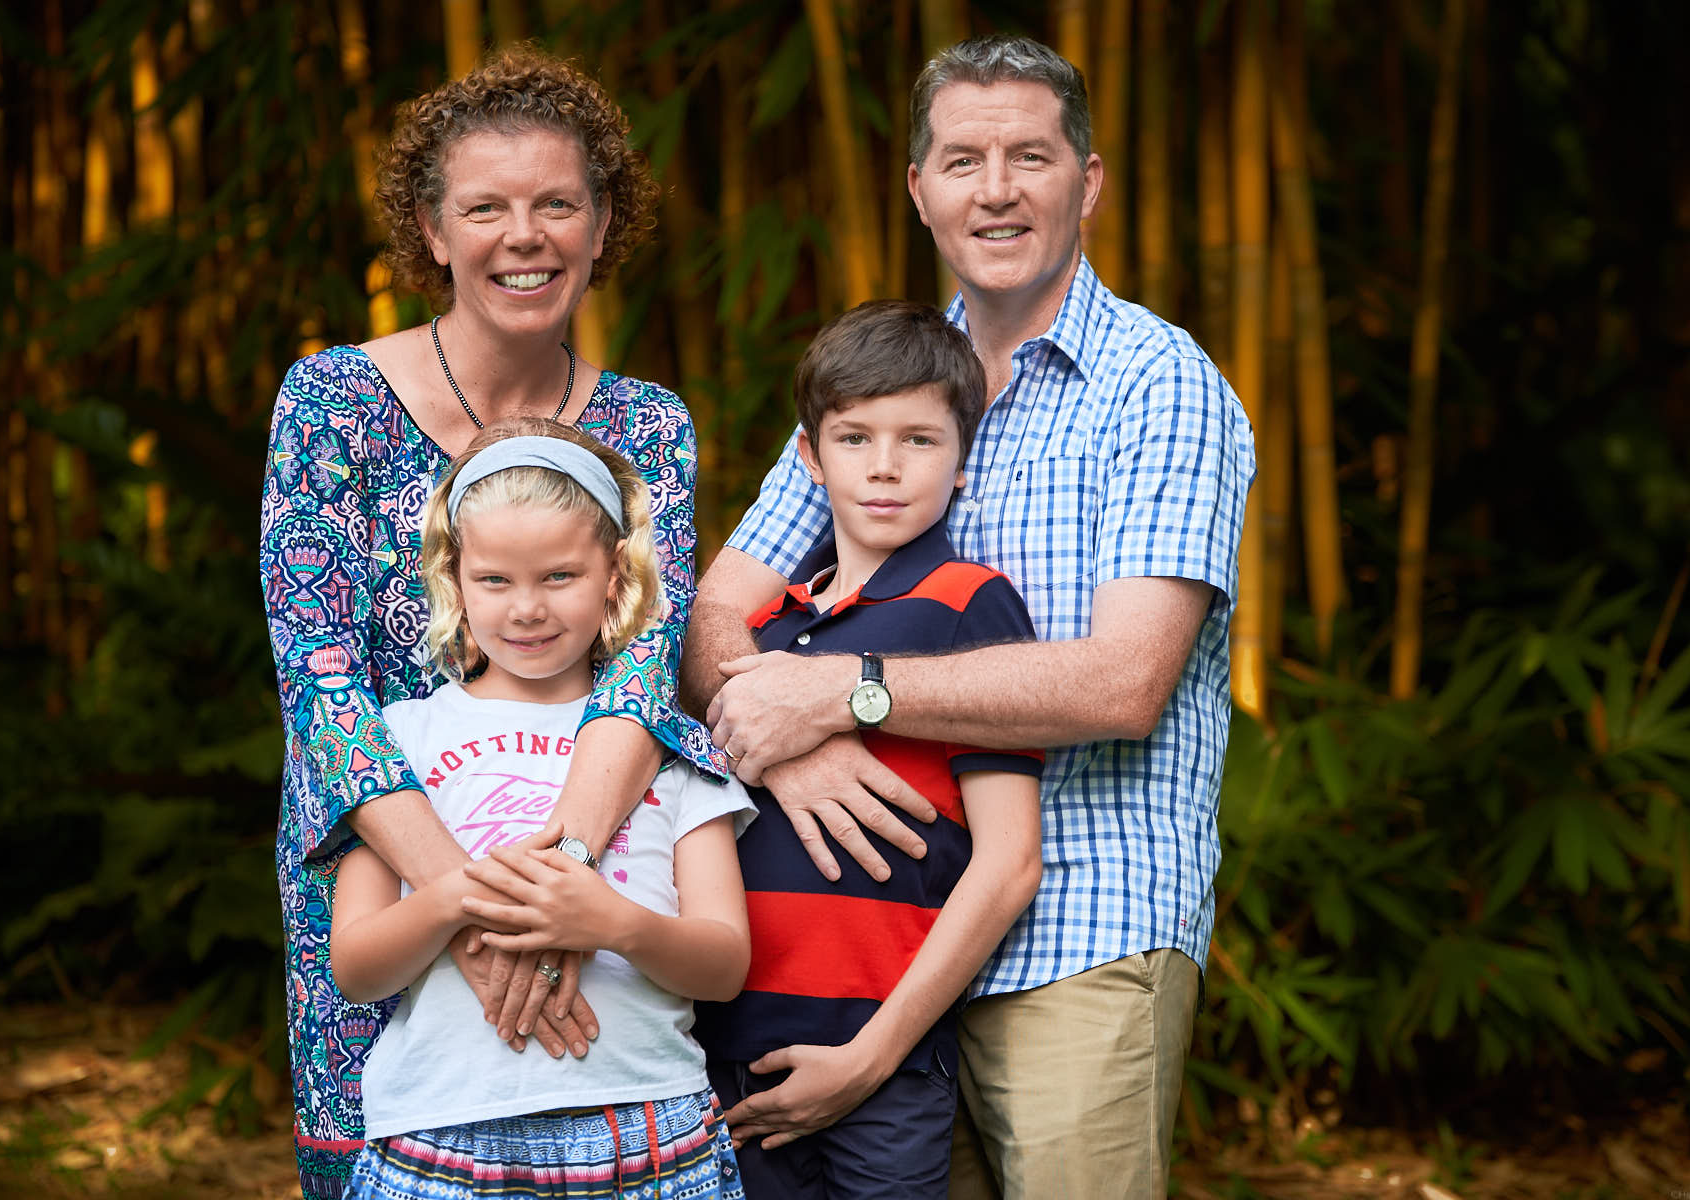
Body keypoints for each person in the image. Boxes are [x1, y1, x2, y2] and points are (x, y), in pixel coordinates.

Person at [688, 34, 1256, 1200]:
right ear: (920, 189)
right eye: (962, 159)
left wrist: (848, 692)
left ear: (1087, 181)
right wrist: (789, 751)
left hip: (1081, 935)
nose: (995, 189)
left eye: (1029, 157)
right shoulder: (884, 393)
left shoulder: (1162, 385)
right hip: (863, 956)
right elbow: (710, 618)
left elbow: (1121, 684)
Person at [259, 46, 728, 1198]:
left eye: (557, 203)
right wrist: (462, 912)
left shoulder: (648, 426)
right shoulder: (330, 402)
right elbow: (321, 684)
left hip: (598, 892)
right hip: (379, 880)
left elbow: (643, 665)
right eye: (486, 208)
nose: (524, 235)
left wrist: (556, 895)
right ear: (433, 229)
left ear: (602, 221)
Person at [331, 420, 752, 1200]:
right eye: (495, 580)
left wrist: (613, 924)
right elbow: (355, 968)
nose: (525, 609)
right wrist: (454, 896)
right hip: (438, 1137)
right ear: (454, 580)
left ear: (615, 578)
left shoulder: (673, 747)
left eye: (559, 576)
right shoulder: (401, 742)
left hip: (649, 1137)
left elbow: (726, 964)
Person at [691, 301, 1044, 1198]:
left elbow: (1009, 864)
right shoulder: (759, 635)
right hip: (724, 1055)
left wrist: (876, 1051)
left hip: (880, 1056)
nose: (884, 467)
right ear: (809, 457)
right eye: (854, 438)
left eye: (920, 440)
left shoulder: (970, 604)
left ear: (964, 461)